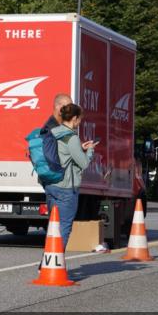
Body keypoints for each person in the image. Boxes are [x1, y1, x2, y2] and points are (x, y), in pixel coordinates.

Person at [46, 103, 97, 250]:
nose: (80, 122)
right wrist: (90, 151)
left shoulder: (54, 132)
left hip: (51, 185)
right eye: (80, 119)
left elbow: (63, 154)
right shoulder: (71, 137)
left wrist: (80, 148)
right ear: (74, 118)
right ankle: (56, 263)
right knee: (64, 226)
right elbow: (84, 163)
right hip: (67, 188)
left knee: (53, 226)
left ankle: (46, 262)